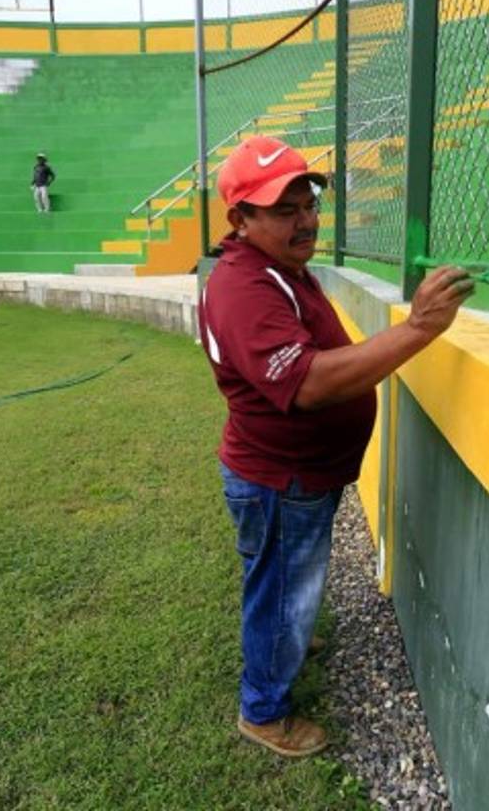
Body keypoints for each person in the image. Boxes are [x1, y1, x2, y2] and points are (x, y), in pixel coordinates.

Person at [198, 135, 474, 758]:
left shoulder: (275, 269)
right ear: (240, 219)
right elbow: (311, 384)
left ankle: (278, 636)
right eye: (283, 210)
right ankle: (264, 711)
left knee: (274, 579)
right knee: (283, 589)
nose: (306, 220)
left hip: (287, 475)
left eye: (308, 204)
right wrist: (421, 328)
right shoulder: (246, 287)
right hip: (280, 478)